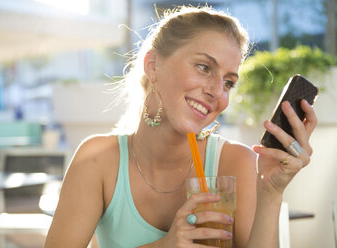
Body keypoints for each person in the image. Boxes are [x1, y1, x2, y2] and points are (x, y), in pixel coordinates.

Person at [45, 6, 316, 248]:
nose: (217, 92)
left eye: (228, 83)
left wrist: (271, 192)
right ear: (152, 65)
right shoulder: (97, 161)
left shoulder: (237, 162)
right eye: (203, 67)